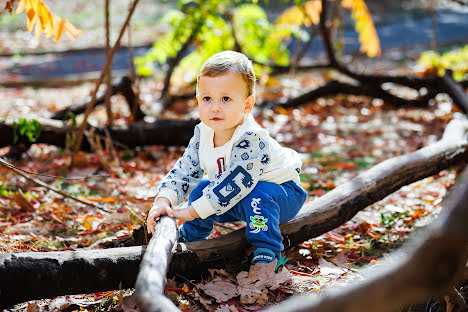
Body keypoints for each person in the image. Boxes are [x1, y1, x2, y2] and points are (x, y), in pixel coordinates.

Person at [146, 51, 307, 266]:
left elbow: (236, 182)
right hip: (236, 197)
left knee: (258, 195)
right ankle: (193, 237)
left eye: (226, 99)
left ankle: (267, 249)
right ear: (198, 100)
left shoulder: (251, 138)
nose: (215, 107)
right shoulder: (204, 132)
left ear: (247, 105)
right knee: (200, 188)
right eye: (207, 98)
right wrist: (164, 199)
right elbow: (187, 168)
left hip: (282, 194)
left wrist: (193, 211)